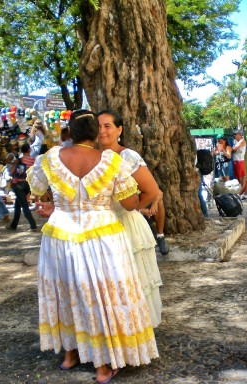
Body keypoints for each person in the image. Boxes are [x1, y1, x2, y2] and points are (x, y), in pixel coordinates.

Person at [28, 110, 159, 383]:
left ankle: (70, 354)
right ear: (95, 132)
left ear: (71, 132)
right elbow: (130, 203)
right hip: (103, 237)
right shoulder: (110, 161)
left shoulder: (49, 158)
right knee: (103, 297)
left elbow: (38, 191)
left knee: (66, 293)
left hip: (60, 235)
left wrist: (62, 202)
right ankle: (103, 365)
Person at [97, 109, 164, 327]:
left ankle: (137, 328)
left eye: (107, 126)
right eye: (98, 126)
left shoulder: (127, 156)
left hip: (127, 226)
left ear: (119, 129)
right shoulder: (92, 157)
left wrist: (129, 209)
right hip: (101, 228)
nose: (102, 130)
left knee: (132, 279)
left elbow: (151, 191)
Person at [5, 143, 37, 232]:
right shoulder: (33, 160)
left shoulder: (19, 160)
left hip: (18, 184)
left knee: (24, 206)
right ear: (29, 150)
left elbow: (11, 172)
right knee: (17, 206)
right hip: (27, 184)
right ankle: (13, 225)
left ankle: (33, 224)